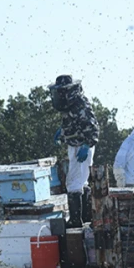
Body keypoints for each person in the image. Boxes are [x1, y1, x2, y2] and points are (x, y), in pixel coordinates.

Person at [49, 74, 100, 228]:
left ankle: (77, 220)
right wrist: (62, 131)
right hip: (75, 145)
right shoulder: (70, 106)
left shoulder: (81, 105)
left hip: (82, 147)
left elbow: (94, 128)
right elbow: (72, 123)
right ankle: (84, 217)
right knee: (80, 181)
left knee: (73, 183)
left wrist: (86, 145)